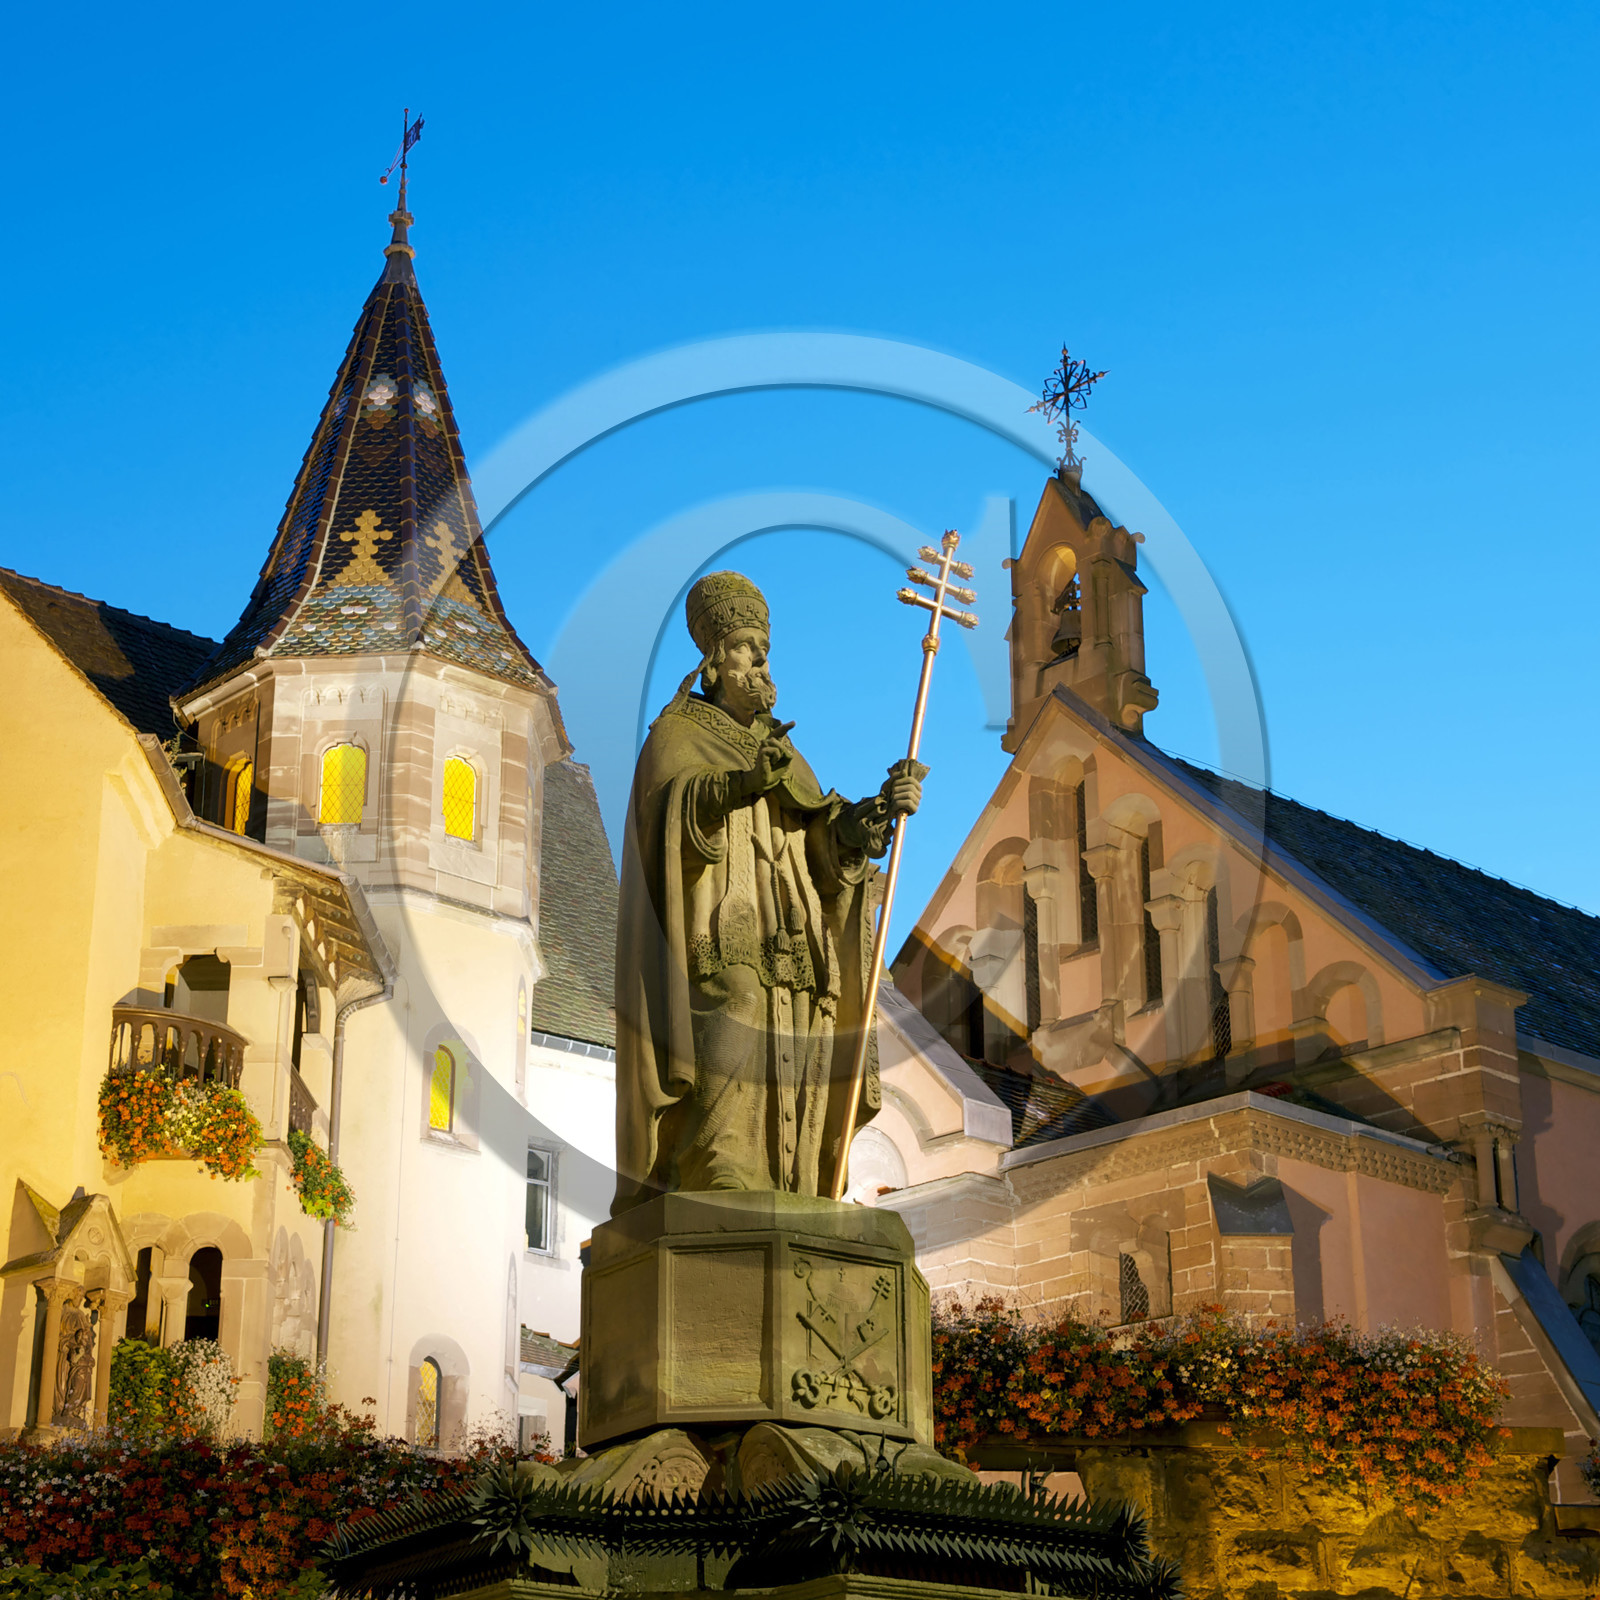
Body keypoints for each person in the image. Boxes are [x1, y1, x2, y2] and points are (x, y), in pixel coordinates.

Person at [614, 571, 921, 1212]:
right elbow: (671, 814)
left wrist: (869, 819)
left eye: (765, 649)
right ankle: (718, 1163)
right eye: (747, 646)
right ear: (712, 658)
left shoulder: (784, 750)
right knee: (738, 997)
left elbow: (822, 836)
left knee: (804, 1023)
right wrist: (738, 783)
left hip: (789, 923)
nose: (761, 661)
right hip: (718, 920)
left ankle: (793, 1180)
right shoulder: (677, 732)